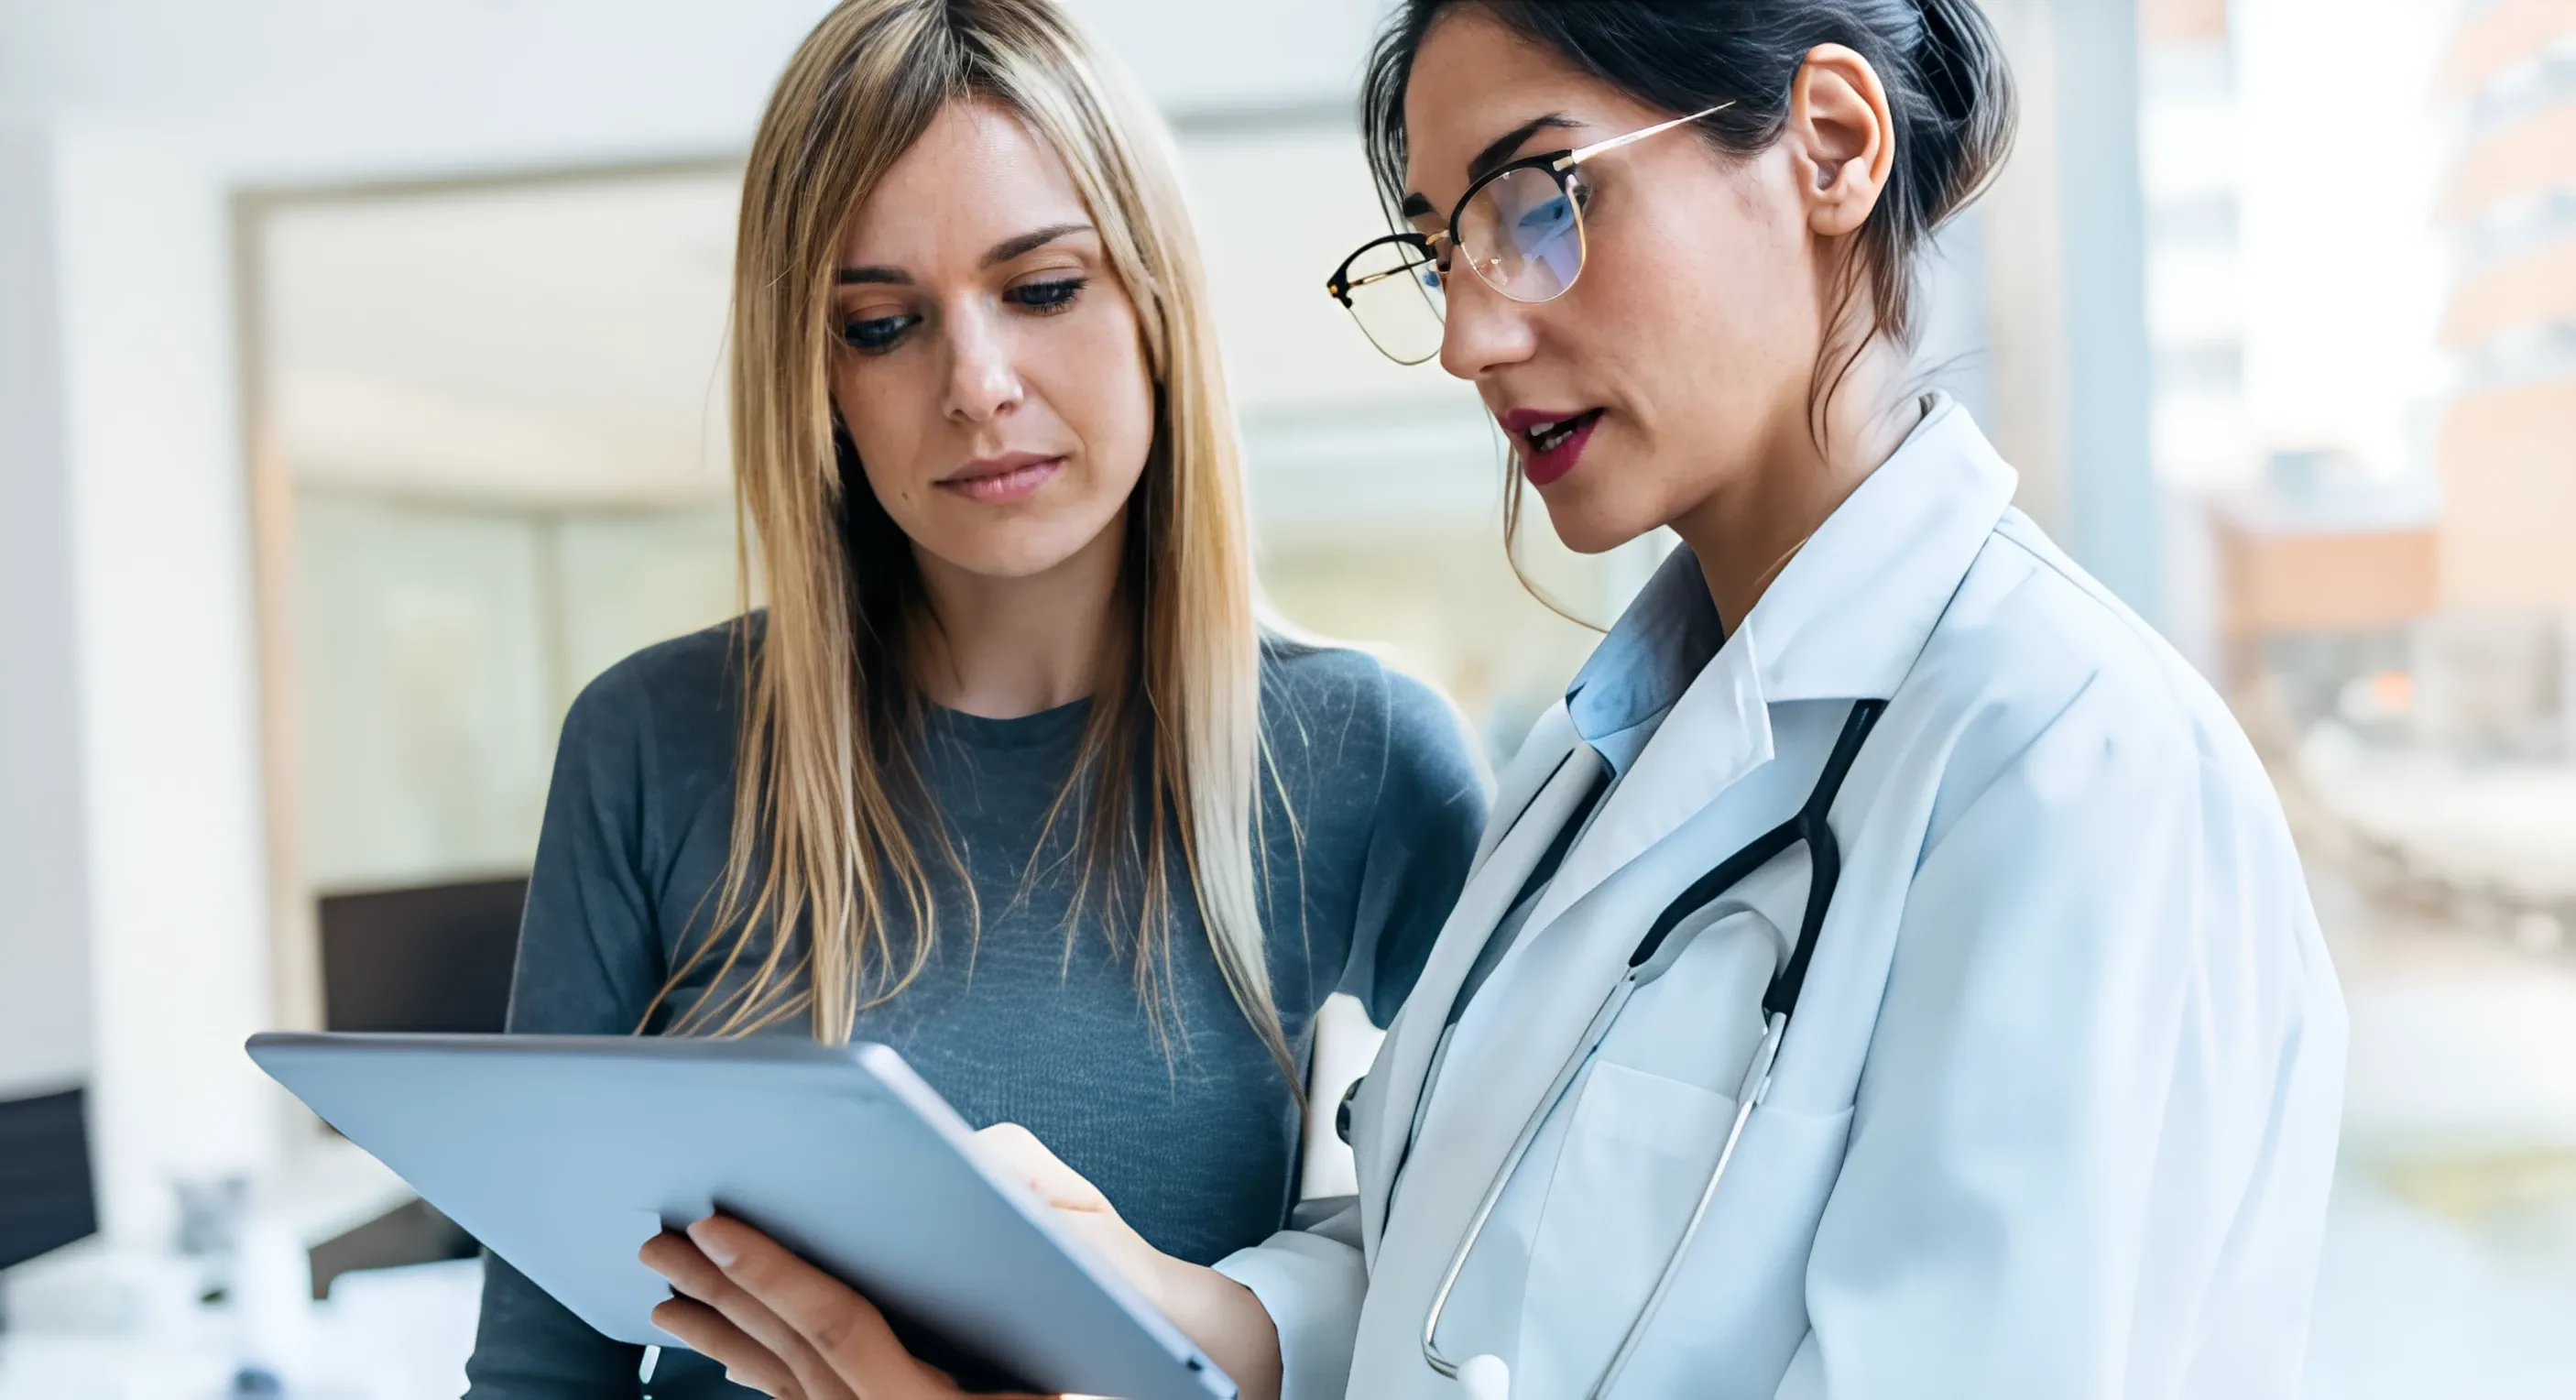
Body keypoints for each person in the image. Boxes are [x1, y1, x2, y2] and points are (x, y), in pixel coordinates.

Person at [638, 2, 2350, 1397]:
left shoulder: (2069, 771)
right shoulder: (1599, 766)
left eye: (1543, 200)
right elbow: (1431, 1260)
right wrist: (1164, 1309)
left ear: (1830, 145)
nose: (1468, 332)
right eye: (1443, 241)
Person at [461, 1, 1491, 1395]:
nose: (977, 386)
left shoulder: (1361, 758)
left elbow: (1488, 1276)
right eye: (883, 325)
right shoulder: (653, 743)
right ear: (818, 379)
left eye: (1046, 289)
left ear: (1155, 305)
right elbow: (541, 1370)